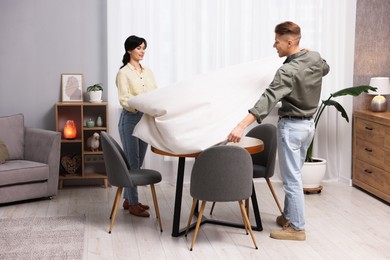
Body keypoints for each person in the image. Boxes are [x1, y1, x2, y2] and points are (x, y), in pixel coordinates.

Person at [227, 21, 330, 240]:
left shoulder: (288, 70)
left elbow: (268, 100)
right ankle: (289, 216)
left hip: (292, 127)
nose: (274, 46)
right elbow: (325, 68)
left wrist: (241, 126)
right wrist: (310, 51)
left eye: (277, 42)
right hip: (308, 127)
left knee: (291, 179)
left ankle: (297, 228)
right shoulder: (313, 57)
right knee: (295, 175)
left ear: (290, 41)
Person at [116, 35, 158, 217]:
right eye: (139, 48)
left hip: (146, 119)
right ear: (129, 50)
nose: (142, 52)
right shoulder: (123, 73)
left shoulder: (148, 72)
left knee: (138, 163)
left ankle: (128, 199)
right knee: (132, 163)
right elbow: (124, 99)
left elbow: (155, 92)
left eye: (143, 48)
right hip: (131, 119)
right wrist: (141, 105)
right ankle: (133, 203)